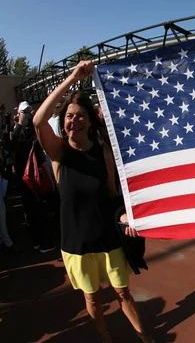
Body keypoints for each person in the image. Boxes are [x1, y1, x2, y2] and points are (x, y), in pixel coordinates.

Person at [33, 60, 153, 343]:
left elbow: (113, 196)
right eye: (69, 116)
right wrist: (72, 78)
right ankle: (105, 338)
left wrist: (124, 217)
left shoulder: (104, 153)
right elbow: (38, 121)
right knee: (93, 298)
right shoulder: (59, 153)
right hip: (77, 245)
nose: (74, 121)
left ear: (89, 120)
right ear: (63, 122)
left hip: (108, 240)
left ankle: (145, 337)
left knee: (123, 293)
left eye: (80, 116)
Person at [11, 101, 55, 252]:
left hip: (23, 180)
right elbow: (41, 163)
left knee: (30, 211)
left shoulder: (15, 134)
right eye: (26, 112)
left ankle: (37, 240)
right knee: (38, 211)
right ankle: (44, 243)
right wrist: (51, 182)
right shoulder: (30, 139)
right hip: (34, 181)